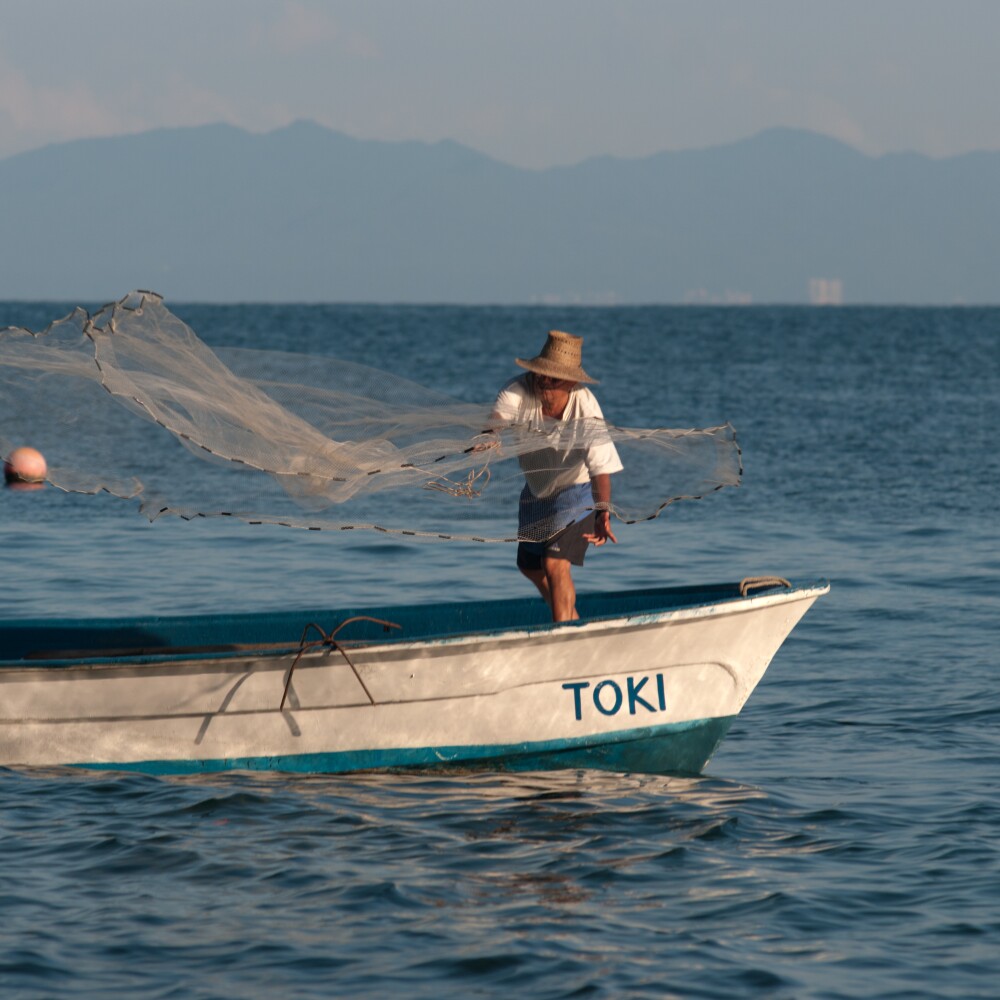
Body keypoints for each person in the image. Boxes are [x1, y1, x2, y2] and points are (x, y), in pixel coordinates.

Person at [489, 330, 622, 622]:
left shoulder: (586, 408)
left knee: (554, 564)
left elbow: (601, 469)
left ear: (571, 383)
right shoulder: (517, 390)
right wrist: (490, 435)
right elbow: (498, 417)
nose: (543, 382)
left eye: (553, 379)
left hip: (577, 489)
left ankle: (563, 633)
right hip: (537, 489)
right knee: (529, 567)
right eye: (540, 374)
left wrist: (603, 512)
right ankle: (572, 621)